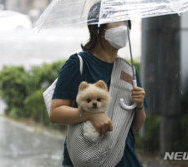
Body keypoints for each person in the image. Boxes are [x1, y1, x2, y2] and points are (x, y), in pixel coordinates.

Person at [50, 2, 148, 167]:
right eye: (117, 20)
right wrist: (90, 115)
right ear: (98, 29)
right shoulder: (79, 63)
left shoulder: (129, 70)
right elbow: (56, 112)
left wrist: (139, 105)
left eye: (126, 21)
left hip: (127, 161)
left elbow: (137, 126)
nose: (123, 26)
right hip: (87, 159)